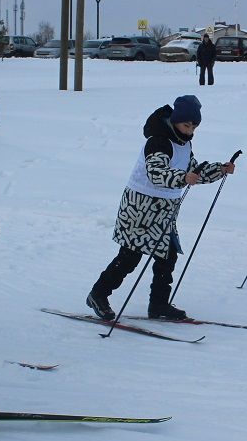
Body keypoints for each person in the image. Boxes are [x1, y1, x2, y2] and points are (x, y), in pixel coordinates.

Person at [86, 96, 235, 321]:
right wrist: (184, 177)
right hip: (140, 208)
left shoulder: (184, 144)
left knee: (167, 256)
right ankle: (98, 295)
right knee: (130, 257)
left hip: (165, 210)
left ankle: (158, 305)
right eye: (186, 125)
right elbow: (157, 173)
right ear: (175, 121)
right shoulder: (158, 141)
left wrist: (220, 169)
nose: (190, 130)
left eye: (194, 126)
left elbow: (194, 171)